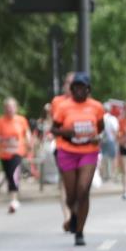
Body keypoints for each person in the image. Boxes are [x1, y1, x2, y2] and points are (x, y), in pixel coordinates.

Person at [50, 72, 105, 247]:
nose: (79, 91)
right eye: (76, 87)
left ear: (88, 89)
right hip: (67, 151)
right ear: (72, 89)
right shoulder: (63, 107)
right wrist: (67, 132)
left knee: (83, 190)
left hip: (89, 151)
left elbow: (100, 128)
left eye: (83, 87)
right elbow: (54, 129)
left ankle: (80, 231)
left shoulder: (96, 107)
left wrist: (97, 137)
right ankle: (73, 215)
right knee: (71, 195)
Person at [0, 97, 31, 214]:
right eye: (7, 107)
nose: (10, 109)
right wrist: (4, 139)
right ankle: (13, 198)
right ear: (4, 109)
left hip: (17, 152)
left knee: (15, 173)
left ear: (16, 108)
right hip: (5, 153)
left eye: (12, 107)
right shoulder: (0, 121)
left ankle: (13, 200)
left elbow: (27, 133)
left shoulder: (21, 120)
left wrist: (29, 142)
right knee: (9, 175)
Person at [50, 72, 75, 225]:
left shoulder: (86, 102)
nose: (70, 86)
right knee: (65, 182)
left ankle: (75, 213)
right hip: (62, 147)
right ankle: (67, 217)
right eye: (67, 83)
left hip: (82, 149)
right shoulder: (57, 102)